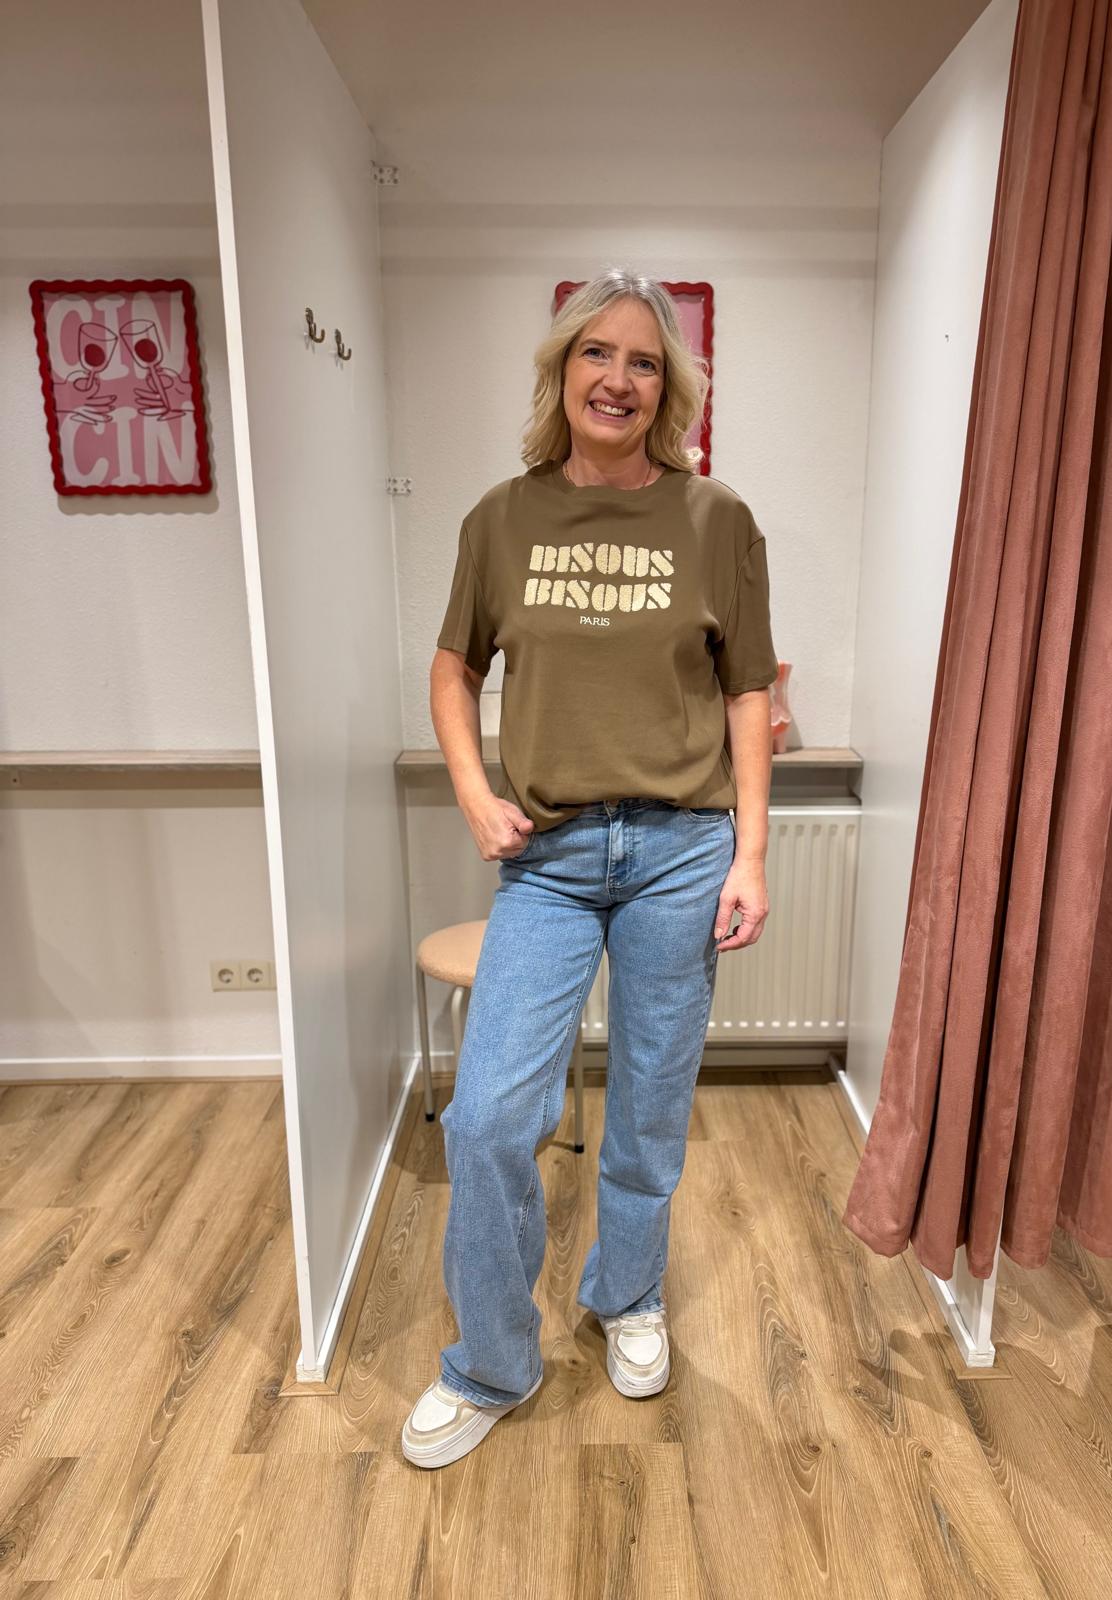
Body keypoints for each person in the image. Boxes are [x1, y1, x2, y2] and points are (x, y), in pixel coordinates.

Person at [402, 267, 778, 1469]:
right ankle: (492, 1361)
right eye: (596, 354)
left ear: (670, 388)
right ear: (561, 371)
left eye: (645, 361)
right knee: (489, 1116)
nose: (618, 379)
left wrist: (751, 852)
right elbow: (454, 668)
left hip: (682, 849)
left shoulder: (716, 518)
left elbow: (749, 690)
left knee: (650, 1108)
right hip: (553, 859)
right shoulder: (501, 518)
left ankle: (628, 1295)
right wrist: (475, 793)